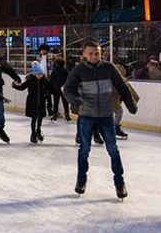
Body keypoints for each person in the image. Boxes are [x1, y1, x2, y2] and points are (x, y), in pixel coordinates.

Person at [63, 41, 137, 199]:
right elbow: (68, 89)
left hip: (106, 115)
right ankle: (81, 180)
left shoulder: (109, 68)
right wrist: (75, 100)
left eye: (96, 53)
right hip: (87, 115)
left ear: (101, 53)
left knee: (113, 150)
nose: (93, 56)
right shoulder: (79, 70)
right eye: (90, 53)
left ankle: (120, 184)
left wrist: (130, 103)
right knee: (84, 150)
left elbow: (123, 85)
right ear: (84, 54)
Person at [12, 61, 58, 144]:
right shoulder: (30, 81)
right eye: (38, 74)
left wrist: (57, 91)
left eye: (41, 74)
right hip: (32, 102)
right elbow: (22, 87)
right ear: (34, 74)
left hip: (41, 102)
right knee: (34, 118)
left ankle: (38, 131)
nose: (40, 76)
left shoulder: (45, 81)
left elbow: (51, 89)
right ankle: (33, 134)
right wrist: (14, 86)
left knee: (40, 118)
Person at [49, 57, 71, 121]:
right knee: (65, 102)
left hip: (56, 88)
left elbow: (51, 80)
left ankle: (55, 114)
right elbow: (68, 79)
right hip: (63, 88)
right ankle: (67, 114)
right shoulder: (65, 71)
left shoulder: (54, 71)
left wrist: (51, 87)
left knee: (56, 102)